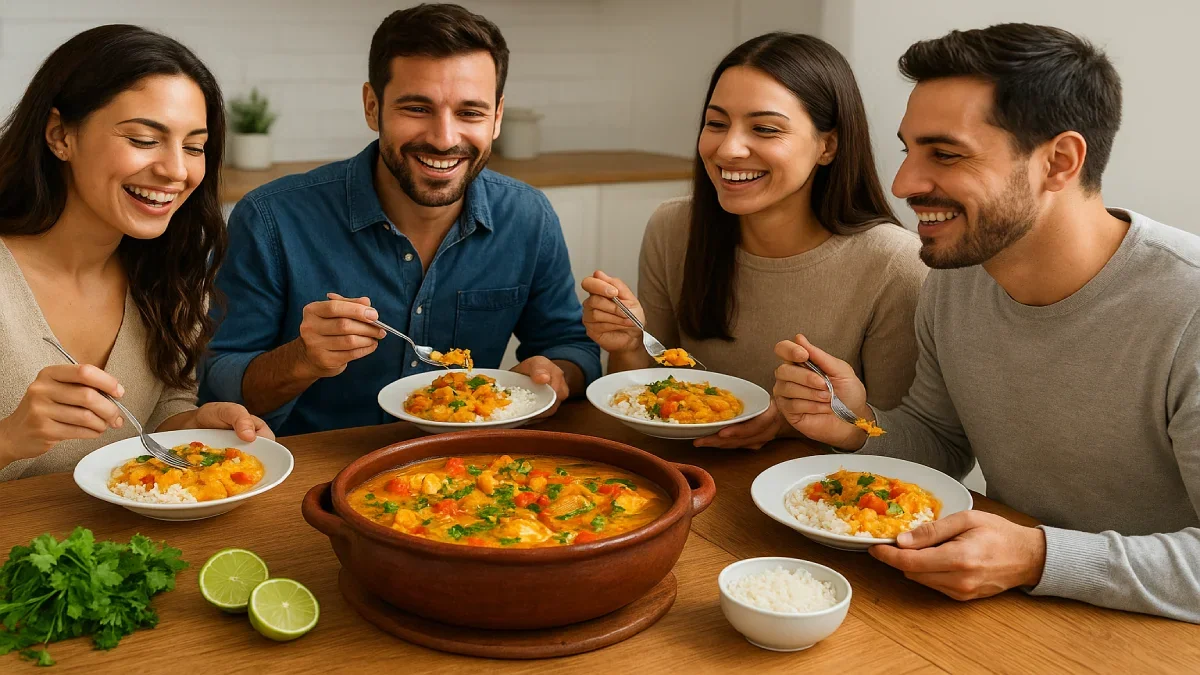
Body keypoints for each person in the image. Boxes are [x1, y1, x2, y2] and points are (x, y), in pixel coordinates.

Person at [773, 23, 1200, 623]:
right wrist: (855, 423)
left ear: (1059, 161)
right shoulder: (957, 274)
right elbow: (940, 440)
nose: (903, 185)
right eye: (908, 150)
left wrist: (1039, 557)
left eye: (945, 154)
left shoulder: (1190, 307)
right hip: (998, 613)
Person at [198, 4, 600, 435]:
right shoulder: (272, 218)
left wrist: (554, 374)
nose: (444, 139)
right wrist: (304, 359)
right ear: (373, 107)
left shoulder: (527, 217)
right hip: (310, 478)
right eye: (417, 108)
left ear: (497, 117)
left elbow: (570, 347)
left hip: (468, 475)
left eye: (470, 113)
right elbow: (218, 385)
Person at [581, 32, 927, 449]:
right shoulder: (673, 228)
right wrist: (627, 345)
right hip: (691, 476)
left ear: (828, 145)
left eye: (764, 128)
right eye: (716, 123)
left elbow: (908, 442)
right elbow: (643, 394)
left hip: (817, 498)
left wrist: (788, 423)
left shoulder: (896, 264)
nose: (729, 149)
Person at [0, 25, 272, 481]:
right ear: (60, 135)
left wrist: (191, 427)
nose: (176, 170)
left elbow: (158, 413)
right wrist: (8, 438)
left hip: (120, 547)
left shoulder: (172, 276)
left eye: (194, 147)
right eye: (144, 139)